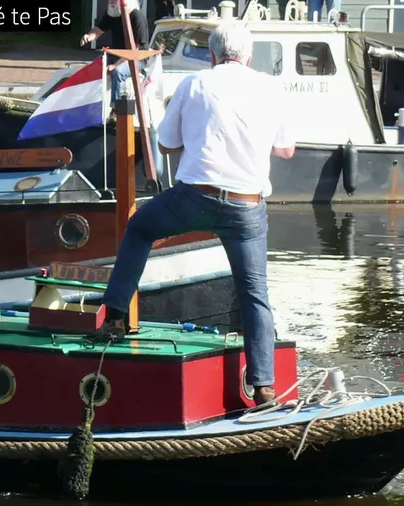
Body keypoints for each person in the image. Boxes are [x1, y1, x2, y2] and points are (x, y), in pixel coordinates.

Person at [95, 23, 295, 406]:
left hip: (195, 197)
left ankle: (116, 318)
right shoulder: (271, 88)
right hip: (246, 206)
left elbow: (168, 144)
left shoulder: (194, 84)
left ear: (213, 54)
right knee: (255, 293)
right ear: (249, 57)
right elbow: (285, 150)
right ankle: (263, 385)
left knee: (139, 228)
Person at [80, 0, 149, 112]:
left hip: (137, 59)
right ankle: (90, 106)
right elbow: (98, 30)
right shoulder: (113, 14)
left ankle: (115, 110)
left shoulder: (137, 16)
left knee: (118, 72)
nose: (110, 2)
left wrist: (115, 65)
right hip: (117, 56)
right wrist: (89, 36)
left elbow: (135, 50)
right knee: (94, 68)